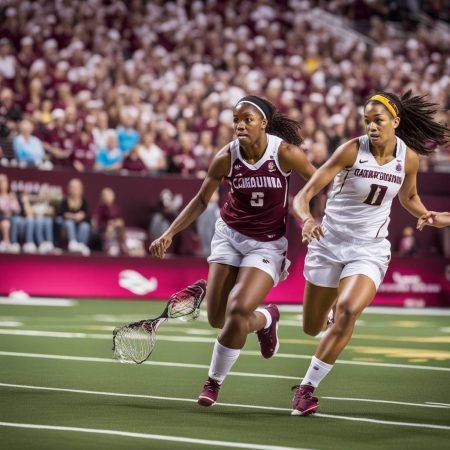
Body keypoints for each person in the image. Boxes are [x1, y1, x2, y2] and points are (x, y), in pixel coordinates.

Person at [291, 91, 450, 416]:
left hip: (369, 248)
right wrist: (307, 219)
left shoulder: (408, 158)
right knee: (311, 326)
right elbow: (304, 195)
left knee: (349, 310)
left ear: (395, 121)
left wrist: (428, 214)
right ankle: (278, 317)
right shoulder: (351, 150)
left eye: (378, 120)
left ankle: (306, 388)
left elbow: (408, 197)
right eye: (367, 120)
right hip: (328, 244)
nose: (372, 126)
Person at [150, 95, 315, 406]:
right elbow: (201, 201)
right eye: (236, 120)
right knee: (219, 319)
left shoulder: (286, 153)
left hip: (266, 242)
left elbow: (318, 181)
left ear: (264, 123)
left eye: (247, 120)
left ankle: (213, 382)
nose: (240, 125)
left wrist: (308, 216)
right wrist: (169, 233)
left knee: (237, 310)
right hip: (229, 236)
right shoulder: (226, 156)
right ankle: (266, 318)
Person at [58, 178, 91, 256]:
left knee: (85, 226)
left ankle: (81, 245)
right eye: (72, 187)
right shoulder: (65, 201)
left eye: (77, 188)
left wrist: (81, 216)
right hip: (66, 226)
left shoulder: (84, 201)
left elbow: (87, 215)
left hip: (80, 225)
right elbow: (61, 214)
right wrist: (73, 216)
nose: (75, 190)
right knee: (69, 223)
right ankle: (73, 243)